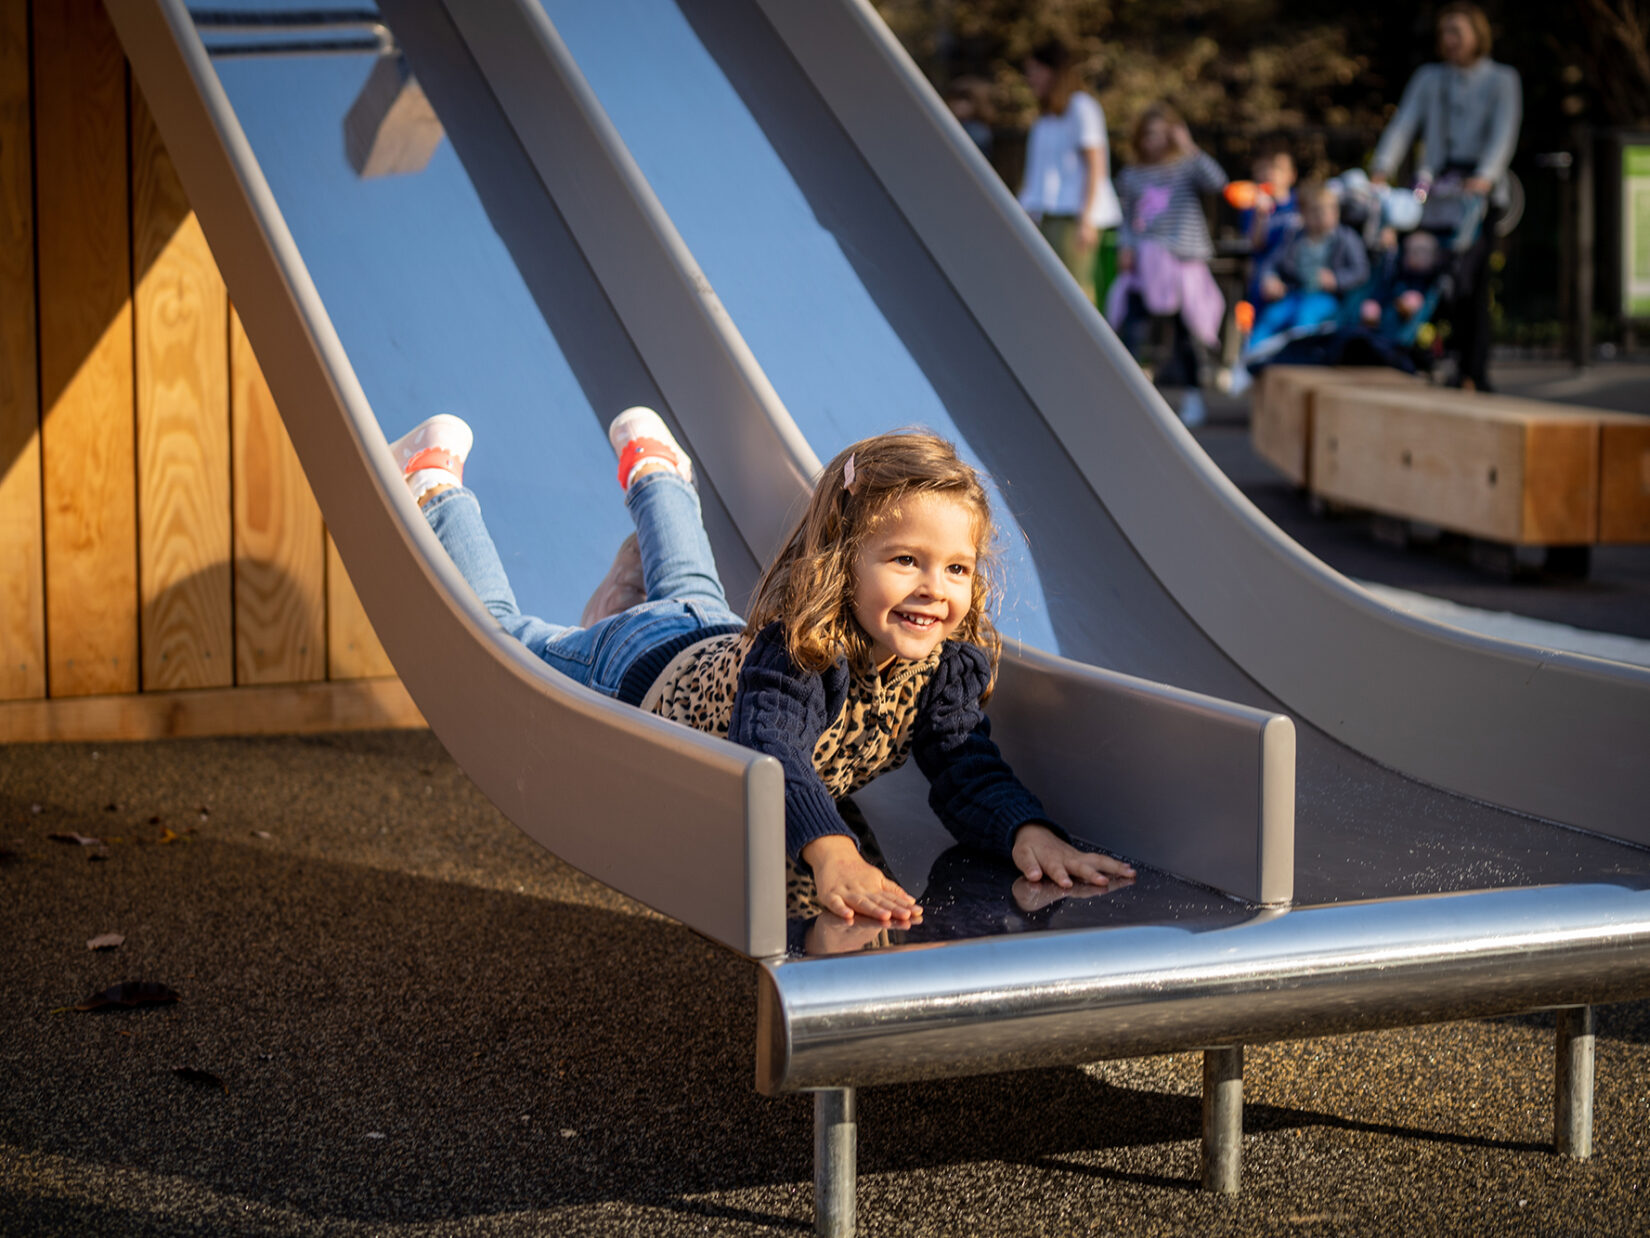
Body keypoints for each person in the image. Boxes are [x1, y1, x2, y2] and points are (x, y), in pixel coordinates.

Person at [391, 408, 1134, 927]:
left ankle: (658, 475)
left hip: (711, 641)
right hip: (639, 672)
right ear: (844, 564)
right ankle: (433, 487)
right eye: (906, 561)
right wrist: (832, 851)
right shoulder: (805, 652)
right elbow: (771, 749)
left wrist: (1022, 830)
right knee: (508, 635)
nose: (934, 589)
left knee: (694, 591)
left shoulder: (947, 665)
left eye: (957, 569)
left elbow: (964, 761)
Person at [1370, 1, 1521, 390]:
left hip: (1476, 196)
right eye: (1445, 33)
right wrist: (1382, 167)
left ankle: (1474, 369)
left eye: (1458, 31)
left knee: (1471, 278)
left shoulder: (1502, 79)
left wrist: (1485, 177)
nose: (1450, 40)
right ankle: (1433, 356)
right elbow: (1404, 123)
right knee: (1428, 274)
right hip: (1436, 192)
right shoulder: (1430, 78)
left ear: (1477, 34)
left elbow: (1504, 133)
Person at [1105, 103, 1228, 426]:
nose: (1154, 142)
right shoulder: (1131, 174)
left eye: (1162, 134)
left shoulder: (1185, 167)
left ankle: (1193, 395)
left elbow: (1217, 182)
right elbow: (1129, 219)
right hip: (1146, 264)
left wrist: (1189, 146)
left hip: (1181, 263)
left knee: (1185, 332)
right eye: (1149, 135)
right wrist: (1126, 247)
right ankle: (1127, 395)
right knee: (1134, 328)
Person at [1017, 39, 1123, 306]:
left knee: (1075, 291)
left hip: (1072, 217)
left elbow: (1095, 164)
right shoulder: (1045, 116)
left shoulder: (1082, 107)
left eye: (1035, 70)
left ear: (1052, 71)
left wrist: (1086, 219)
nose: (1030, 78)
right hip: (1046, 215)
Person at [1247, 180, 1371, 354]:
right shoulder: (1295, 237)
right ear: (1303, 214)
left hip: (1325, 297)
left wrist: (1336, 279)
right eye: (1316, 211)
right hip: (1294, 294)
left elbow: (1361, 270)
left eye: (1329, 210)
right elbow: (1272, 262)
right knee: (1272, 317)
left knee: (1305, 317)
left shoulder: (1346, 238)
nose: (1323, 216)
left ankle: (1300, 357)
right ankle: (1251, 358)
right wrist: (1270, 278)